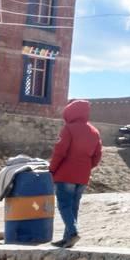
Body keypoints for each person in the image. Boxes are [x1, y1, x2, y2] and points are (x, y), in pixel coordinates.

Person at [48, 98, 102, 248]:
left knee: (64, 205)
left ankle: (72, 233)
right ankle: (67, 239)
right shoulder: (94, 131)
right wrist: (86, 168)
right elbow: (97, 156)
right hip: (82, 176)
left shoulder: (68, 129)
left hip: (65, 175)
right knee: (73, 207)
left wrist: (51, 169)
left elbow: (60, 152)